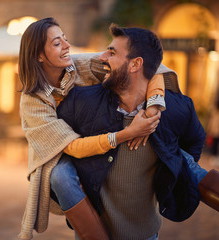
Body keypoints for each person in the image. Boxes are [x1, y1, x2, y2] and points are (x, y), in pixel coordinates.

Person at [18, 17, 179, 240]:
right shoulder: (32, 101)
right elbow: (72, 147)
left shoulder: (79, 65)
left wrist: (153, 106)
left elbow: (153, 67)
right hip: (58, 152)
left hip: (96, 140)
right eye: (57, 43)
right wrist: (129, 133)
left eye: (65, 38)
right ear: (38, 55)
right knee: (60, 176)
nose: (67, 45)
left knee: (175, 150)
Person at [56, 23, 219, 239]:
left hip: (147, 235)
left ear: (135, 64)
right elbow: (56, 149)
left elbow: (192, 146)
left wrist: (166, 175)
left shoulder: (178, 108)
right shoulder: (81, 102)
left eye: (112, 53)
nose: (102, 58)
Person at [207, 98, 219, 166]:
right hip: (215, 131)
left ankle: (214, 157)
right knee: (215, 145)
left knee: (215, 145)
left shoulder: (214, 112)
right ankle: (214, 157)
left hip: (215, 131)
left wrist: (209, 130)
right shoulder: (215, 112)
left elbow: (211, 122)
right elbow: (212, 122)